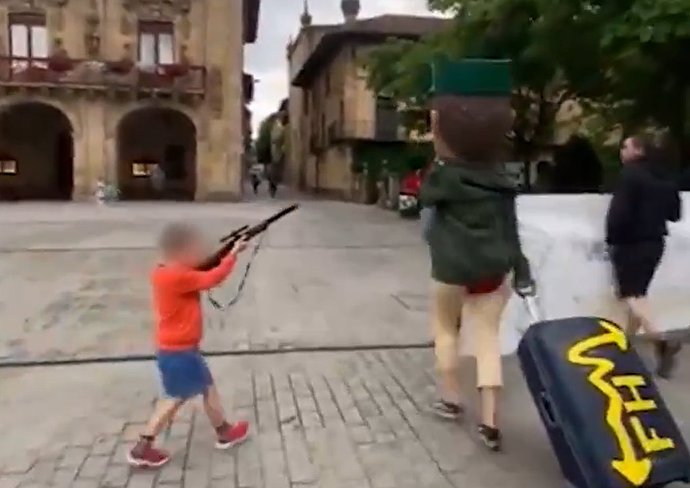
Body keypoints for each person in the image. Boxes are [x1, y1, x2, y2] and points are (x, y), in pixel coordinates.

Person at [419, 58, 535, 452]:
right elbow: (512, 231)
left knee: (445, 331)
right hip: (491, 272)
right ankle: (490, 421)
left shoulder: (441, 178)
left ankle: (451, 400)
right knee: (487, 340)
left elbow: (426, 216)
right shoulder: (502, 183)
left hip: (450, 270)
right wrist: (522, 271)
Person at [127, 223, 250, 468]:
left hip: (179, 348)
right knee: (174, 399)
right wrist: (233, 254)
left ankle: (224, 431)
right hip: (179, 351)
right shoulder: (177, 275)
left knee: (207, 389)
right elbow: (212, 278)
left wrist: (221, 255)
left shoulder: (164, 271)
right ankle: (143, 445)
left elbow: (198, 270)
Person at [606, 134, 683, 379]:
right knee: (639, 296)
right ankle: (624, 347)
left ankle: (661, 341)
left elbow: (619, 212)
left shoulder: (629, 175)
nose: (621, 150)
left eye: (625, 146)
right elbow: (675, 214)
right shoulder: (664, 176)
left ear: (637, 150)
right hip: (655, 244)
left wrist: (612, 239)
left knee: (631, 296)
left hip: (630, 243)